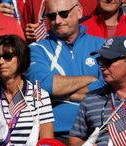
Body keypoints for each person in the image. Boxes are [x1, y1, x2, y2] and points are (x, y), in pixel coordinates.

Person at [26, 0, 105, 138]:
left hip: (98, 133)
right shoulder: (35, 49)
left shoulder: (102, 46)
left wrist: (57, 94)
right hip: (54, 136)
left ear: (79, 11)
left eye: (64, 14)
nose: (57, 21)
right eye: (51, 16)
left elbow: (106, 88)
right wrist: (91, 79)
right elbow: (42, 87)